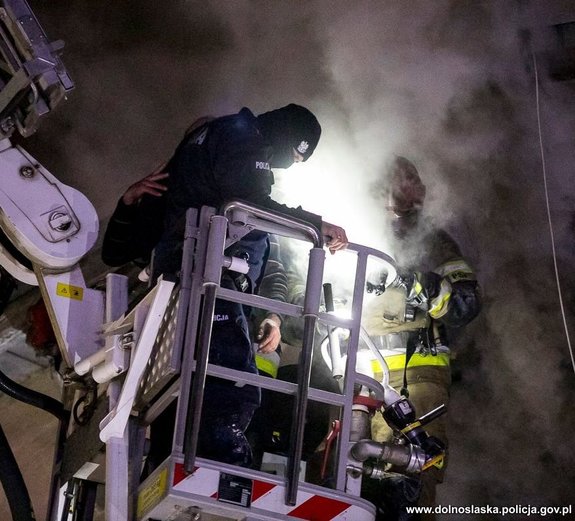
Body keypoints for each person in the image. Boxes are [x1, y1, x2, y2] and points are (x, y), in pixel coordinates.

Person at [102, 104, 348, 468]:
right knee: (231, 383)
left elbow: (270, 259)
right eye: (296, 155)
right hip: (207, 281)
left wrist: (270, 314)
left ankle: (168, 463)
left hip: (200, 285)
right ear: (286, 137)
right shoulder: (239, 138)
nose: (291, 166)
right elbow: (250, 204)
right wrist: (315, 225)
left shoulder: (200, 169)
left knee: (184, 387)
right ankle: (220, 464)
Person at [362, 156, 481, 520]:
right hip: (352, 378)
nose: (421, 187)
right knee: (344, 475)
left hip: (416, 382)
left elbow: (465, 303)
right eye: (410, 177)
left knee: (411, 477)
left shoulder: (434, 241)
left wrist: (413, 282)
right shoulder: (353, 226)